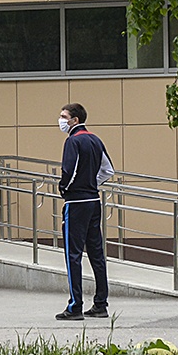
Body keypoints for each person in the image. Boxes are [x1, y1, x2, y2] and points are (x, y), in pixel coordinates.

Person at [55, 102, 115, 321]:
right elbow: (108, 170)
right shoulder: (95, 139)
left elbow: (68, 171)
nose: (60, 120)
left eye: (63, 116)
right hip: (93, 201)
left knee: (73, 255)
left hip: (77, 202)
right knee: (97, 254)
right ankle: (100, 304)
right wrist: (92, 183)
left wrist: (66, 188)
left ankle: (75, 306)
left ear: (75, 120)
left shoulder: (73, 141)